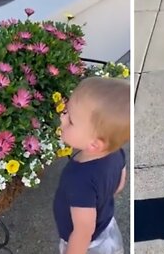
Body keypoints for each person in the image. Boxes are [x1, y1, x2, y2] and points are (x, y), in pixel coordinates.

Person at [53, 77, 130, 253]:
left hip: (89, 247)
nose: (62, 118)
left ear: (95, 144)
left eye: (70, 120)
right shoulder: (116, 152)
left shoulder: (79, 179)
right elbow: (119, 184)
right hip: (106, 228)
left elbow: (82, 232)